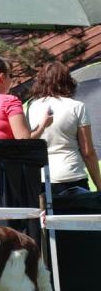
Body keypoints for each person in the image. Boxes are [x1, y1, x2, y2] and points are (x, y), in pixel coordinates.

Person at [27, 60, 101, 196]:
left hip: (43, 179)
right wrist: (99, 185)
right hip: (73, 177)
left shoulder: (32, 107)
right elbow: (88, 152)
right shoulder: (77, 107)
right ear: (67, 80)